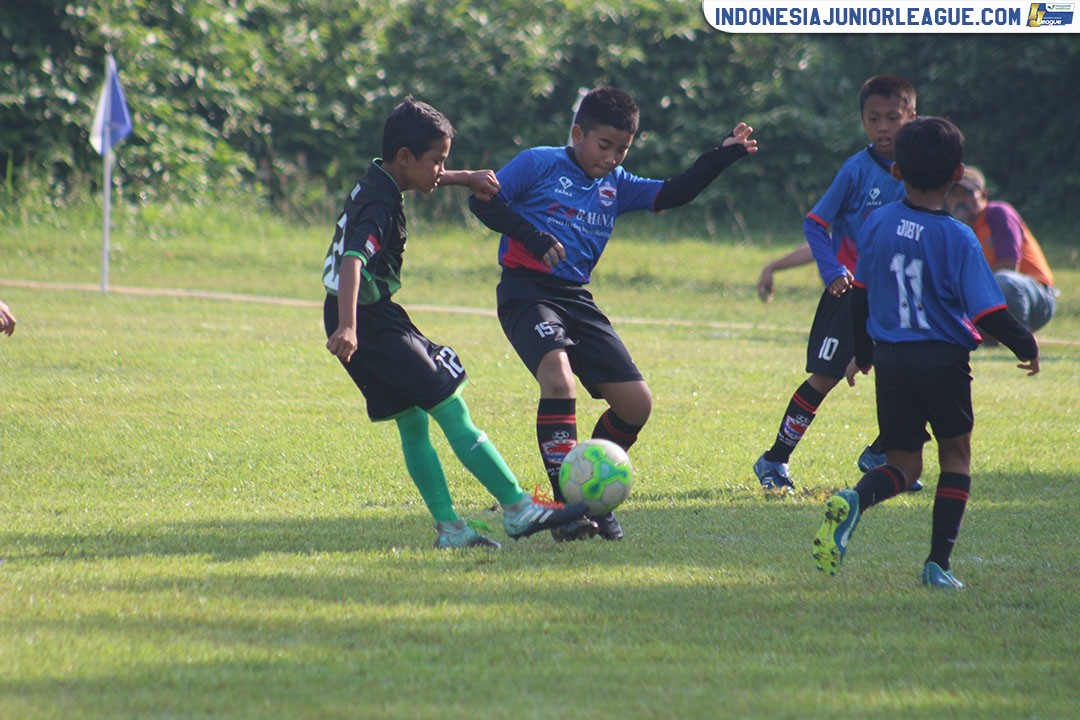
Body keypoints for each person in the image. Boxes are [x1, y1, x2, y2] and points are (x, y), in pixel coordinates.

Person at [469, 86, 758, 541]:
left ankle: (589, 494)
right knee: (558, 378)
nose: (612, 158)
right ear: (578, 133)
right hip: (526, 291)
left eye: (622, 149)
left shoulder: (615, 183)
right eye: (605, 146)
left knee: (636, 403)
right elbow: (482, 200)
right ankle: (567, 509)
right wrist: (534, 237)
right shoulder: (539, 162)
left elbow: (672, 194)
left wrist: (719, 157)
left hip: (575, 298)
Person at [322, 96, 590, 549]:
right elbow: (352, 261)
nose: (440, 170)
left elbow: (423, 177)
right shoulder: (380, 206)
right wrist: (349, 328)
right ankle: (517, 507)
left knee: (411, 420)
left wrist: (464, 176)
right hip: (367, 319)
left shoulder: (380, 178)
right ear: (406, 158)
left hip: (359, 314)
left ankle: (450, 528)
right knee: (450, 406)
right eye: (437, 161)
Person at [813, 116, 1040, 589]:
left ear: (897, 172)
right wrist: (1026, 341)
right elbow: (989, 312)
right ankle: (938, 564)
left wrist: (865, 353)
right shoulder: (957, 236)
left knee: (902, 465)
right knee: (955, 457)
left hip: (894, 360)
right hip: (942, 359)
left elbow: (860, 294)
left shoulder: (878, 222)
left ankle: (855, 500)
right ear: (957, 174)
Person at [752, 75, 924, 494]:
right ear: (863, 121)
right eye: (873, 119)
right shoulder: (856, 171)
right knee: (824, 379)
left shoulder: (921, 168)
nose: (882, 127)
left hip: (897, 296)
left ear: (911, 117)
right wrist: (832, 271)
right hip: (850, 296)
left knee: (917, 371)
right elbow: (815, 224)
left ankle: (884, 453)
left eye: (892, 117)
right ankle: (774, 459)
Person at [945, 165, 1057, 336]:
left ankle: (1019, 337)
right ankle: (988, 336)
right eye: (954, 194)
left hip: (1035, 297)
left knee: (1003, 280)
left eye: (967, 194)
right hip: (990, 299)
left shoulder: (998, 214)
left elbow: (1008, 268)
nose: (960, 200)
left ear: (984, 195)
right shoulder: (954, 229)